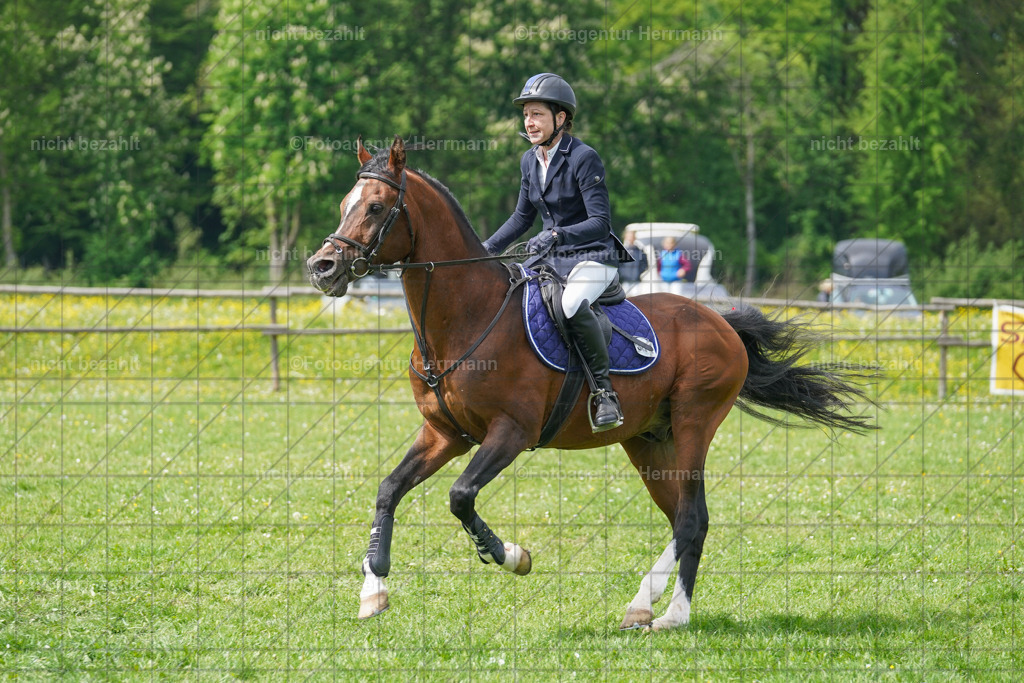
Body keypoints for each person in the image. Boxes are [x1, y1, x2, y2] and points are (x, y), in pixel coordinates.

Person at [482, 73, 633, 432]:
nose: (529, 122)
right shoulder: (529, 160)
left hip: (594, 256)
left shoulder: (583, 157)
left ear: (560, 118)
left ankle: (604, 394)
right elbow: (521, 217)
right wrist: (485, 248)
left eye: (537, 114)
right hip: (552, 259)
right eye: (526, 115)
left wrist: (556, 234)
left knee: (569, 305)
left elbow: (600, 221)